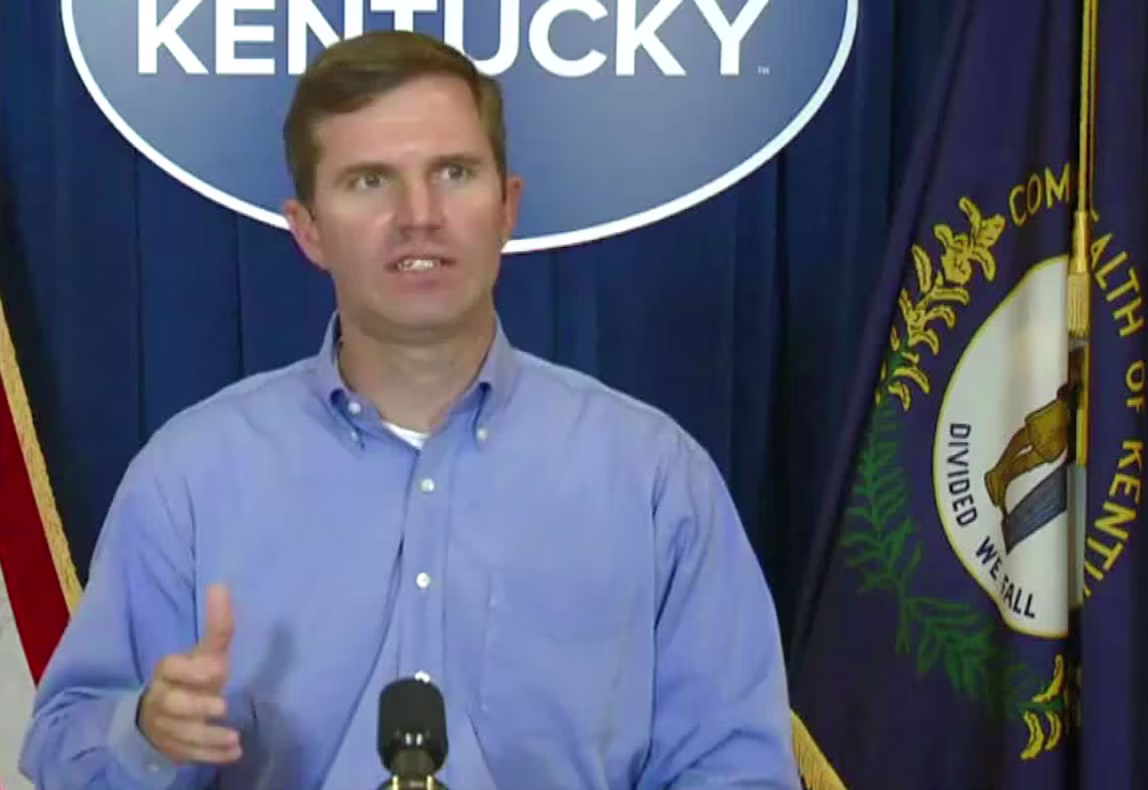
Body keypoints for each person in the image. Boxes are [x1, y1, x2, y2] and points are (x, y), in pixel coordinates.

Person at [19, 29, 800, 790]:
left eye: (454, 173)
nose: (419, 214)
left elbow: (738, 766)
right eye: (370, 181)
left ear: (507, 208)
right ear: (308, 231)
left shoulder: (654, 479)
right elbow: (62, 751)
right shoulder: (191, 478)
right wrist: (148, 733)